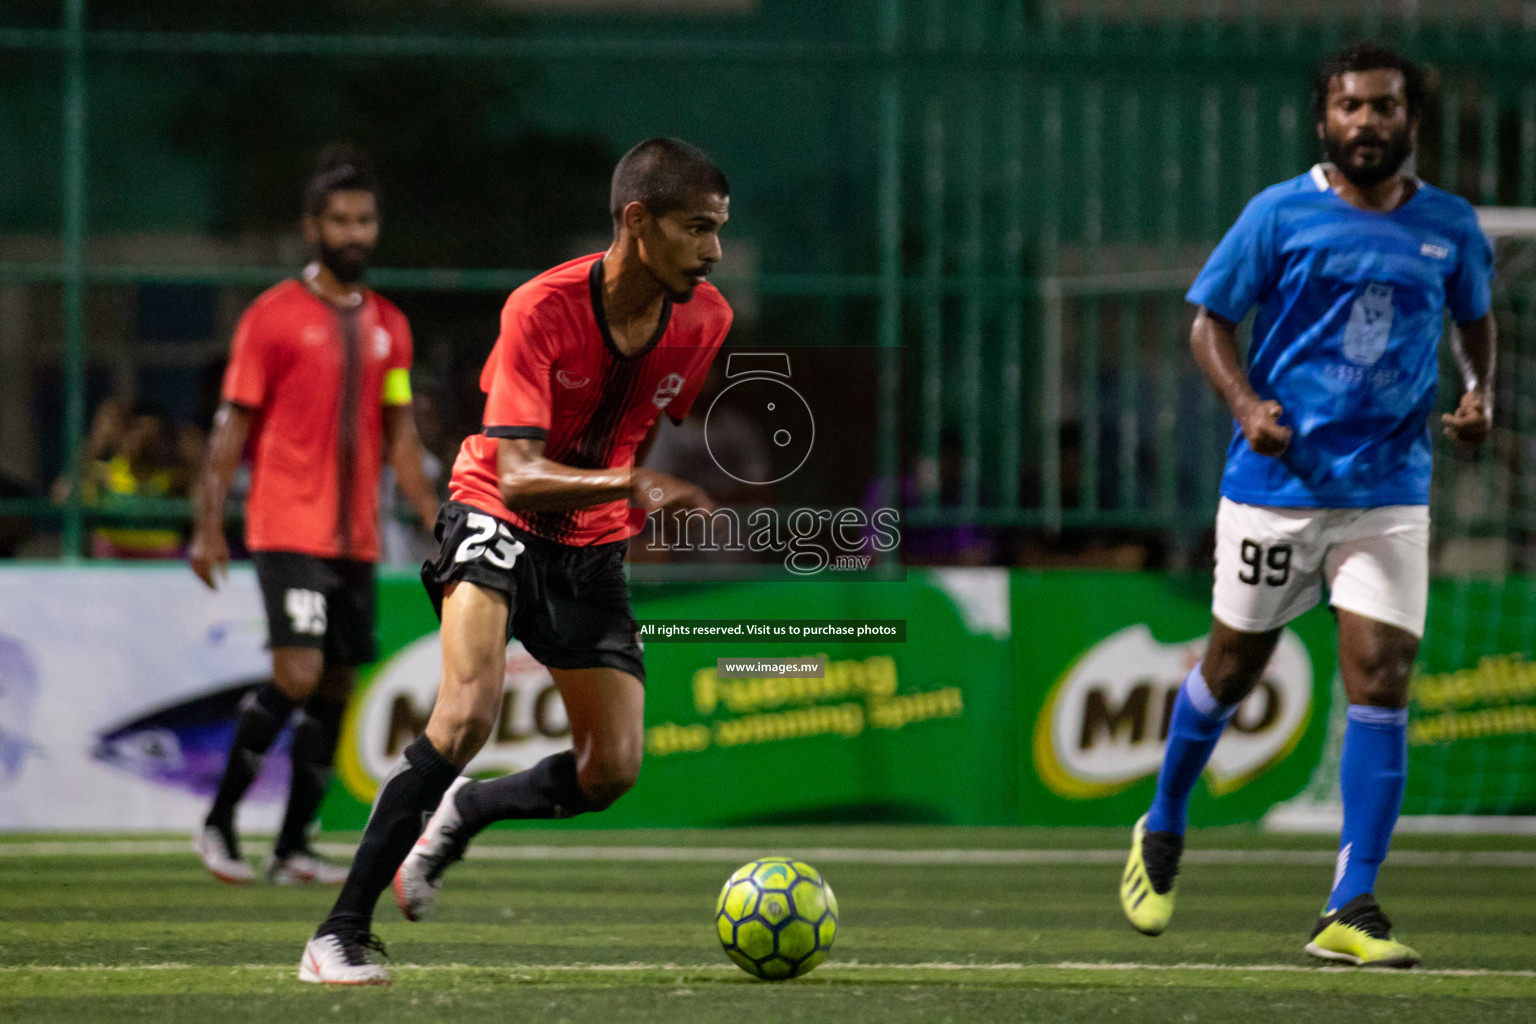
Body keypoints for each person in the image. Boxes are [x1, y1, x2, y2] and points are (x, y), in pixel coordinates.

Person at [298, 137, 733, 984]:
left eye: (718, 231)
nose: (713, 251)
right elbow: (520, 474)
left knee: (612, 770)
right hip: (497, 511)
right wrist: (637, 482)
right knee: (466, 714)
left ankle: (466, 810)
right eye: (697, 229)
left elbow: (644, 419)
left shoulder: (706, 318)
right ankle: (337, 933)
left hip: (592, 545)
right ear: (637, 221)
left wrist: (640, 495)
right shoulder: (540, 308)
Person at [1118, 42, 1495, 969]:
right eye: (1352, 107)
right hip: (1276, 489)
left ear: (1413, 120)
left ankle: (1352, 904)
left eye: (1386, 107)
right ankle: (1164, 818)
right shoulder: (1278, 213)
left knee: (1383, 675)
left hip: (1389, 488)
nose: (1369, 122)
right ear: (1324, 118)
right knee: (1232, 669)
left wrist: (1480, 390)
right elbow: (1208, 318)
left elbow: (1476, 316)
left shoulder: (1449, 225)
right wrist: (1247, 405)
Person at [189, 144, 439, 886]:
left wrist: (430, 509)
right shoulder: (272, 317)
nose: (354, 233)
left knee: (334, 684)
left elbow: (398, 430)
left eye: (364, 220)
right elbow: (231, 426)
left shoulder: (391, 325)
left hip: (355, 535)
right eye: (340, 220)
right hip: (286, 527)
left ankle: (293, 845)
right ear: (313, 227)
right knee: (295, 675)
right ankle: (217, 822)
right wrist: (208, 523)